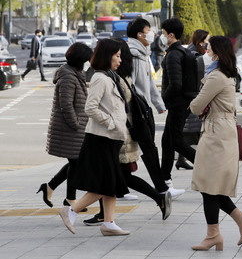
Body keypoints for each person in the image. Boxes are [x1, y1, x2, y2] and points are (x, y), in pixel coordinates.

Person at [85, 40, 172, 224]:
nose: (119, 59)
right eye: (116, 55)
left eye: (119, 55)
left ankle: (76, 211)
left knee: (115, 177)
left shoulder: (114, 79)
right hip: (121, 134)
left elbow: (105, 109)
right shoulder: (120, 77)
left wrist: (109, 123)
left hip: (117, 136)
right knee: (115, 178)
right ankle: (105, 216)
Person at [189, 36, 242, 251]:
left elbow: (195, 106)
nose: (206, 48)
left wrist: (196, 100)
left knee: (209, 187)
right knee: (212, 187)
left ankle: (214, 235)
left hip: (215, 135)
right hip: (222, 132)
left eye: (209, 46)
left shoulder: (216, 76)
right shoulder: (225, 74)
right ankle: (240, 221)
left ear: (217, 52)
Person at [59, 39, 130, 236]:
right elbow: (90, 107)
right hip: (101, 138)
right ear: (107, 56)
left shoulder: (110, 76)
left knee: (111, 184)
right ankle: (71, 210)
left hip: (112, 137)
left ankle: (109, 223)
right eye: (117, 56)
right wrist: (111, 123)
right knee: (105, 184)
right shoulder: (100, 78)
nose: (120, 60)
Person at [123, 18, 184, 202]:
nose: (153, 34)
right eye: (148, 30)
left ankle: (119, 188)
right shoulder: (133, 55)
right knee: (149, 149)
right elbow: (129, 86)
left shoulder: (142, 54)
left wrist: (159, 105)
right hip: (137, 112)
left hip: (144, 110)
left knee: (131, 151)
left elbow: (149, 85)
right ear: (139, 34)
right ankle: (162, 188)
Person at [38, 43, 93, 209]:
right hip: (70, 128)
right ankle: (67, 197)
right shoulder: (68, 77)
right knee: (76, 162)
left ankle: (56, 190)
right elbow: (66, 105)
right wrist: (76, 123)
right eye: (86, 60)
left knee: (75, 162)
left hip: (75, 127)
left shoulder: (75, 73)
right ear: (80, 60)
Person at [160, 18, 197, 188]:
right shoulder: (182, 52)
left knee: (175, 141)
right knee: (167, 141)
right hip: (183, 102)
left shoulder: (173, 55)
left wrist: (163, 99)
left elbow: (175, 84)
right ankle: (164, 179)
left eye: (163, 33)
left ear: (171, 34)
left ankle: (206, 166)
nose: (161, 36)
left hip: (178, 104)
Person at [177, 28, 210, 170]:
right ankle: (203, 162)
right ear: (200, 42)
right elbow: (198, 81)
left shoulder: (189, 52)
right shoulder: (196, 57)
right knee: (196, 132)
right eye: (207, 41)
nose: (208, 45)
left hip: (188, 98)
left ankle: (181, 160)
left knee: (188, 132)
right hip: (193, 97)